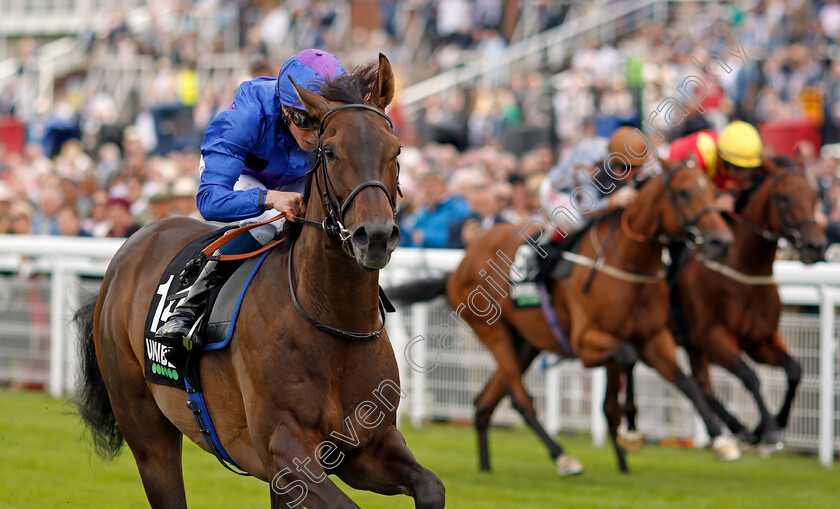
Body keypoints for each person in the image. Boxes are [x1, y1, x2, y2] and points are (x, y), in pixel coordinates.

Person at [155, 49, 347, 346]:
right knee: (271, 222)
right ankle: (190, 304)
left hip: (296, 178)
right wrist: (268, 198)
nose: (314, 134)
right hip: (242, 177)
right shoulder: (246, 117)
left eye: (322, 123)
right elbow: (209, 201)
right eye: (304, 120)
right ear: (285, 109)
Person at [532, 126, 651, 281]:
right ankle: (542, 243)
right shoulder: (589, 165)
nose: (631, 174)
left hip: (589, 191)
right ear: (613, 160)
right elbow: (586, 209)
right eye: (626, 168)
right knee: (578, 221)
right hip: (559, 191)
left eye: (636, 168)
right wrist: (613, 201)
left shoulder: (625, 154)